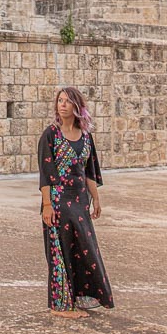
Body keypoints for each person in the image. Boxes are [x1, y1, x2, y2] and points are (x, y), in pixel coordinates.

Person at [38, 86, 114, 319]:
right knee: (60, 252)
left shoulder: (86, 136)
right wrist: (47, 205)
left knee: (85, 250)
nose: (62, 105)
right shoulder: (50, 134)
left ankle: (77, 297)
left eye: (67, 101)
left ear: (76, 106)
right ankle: (60, 306)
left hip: (80, 201)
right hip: (58, 202)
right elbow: (46, 173)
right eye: (59, 101)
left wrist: (96, 199)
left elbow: (89, 172)